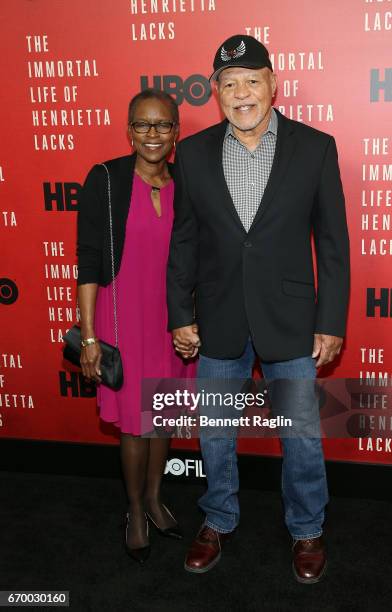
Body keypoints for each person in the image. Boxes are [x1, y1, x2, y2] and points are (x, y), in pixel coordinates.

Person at [167, 35, 350, 582]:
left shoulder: (315, 147)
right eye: (228, 83)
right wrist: (181, 312)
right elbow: (184, 243)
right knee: (217, 431)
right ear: (215, 93)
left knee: (300, 433)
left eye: (251, 79)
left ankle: (307, 527)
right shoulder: (194, 153)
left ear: (273, 84)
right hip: (217, 315)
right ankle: (218, 517)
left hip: (290, 318)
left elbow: (333, 244)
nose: (240, 92)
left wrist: (331, 322)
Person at [77, 88, 194, 564]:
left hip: (171, 320)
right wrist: (88, 337)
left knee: (161, 414)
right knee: (132, 423)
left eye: (162, 125)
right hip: (121, 317)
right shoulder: (105, 179)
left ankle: (154, 497)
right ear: (128, 131)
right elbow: (87, 262)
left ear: (176, 133)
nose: (152, 134)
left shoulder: (186, 181)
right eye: (143, 125)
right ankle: (134, 511)